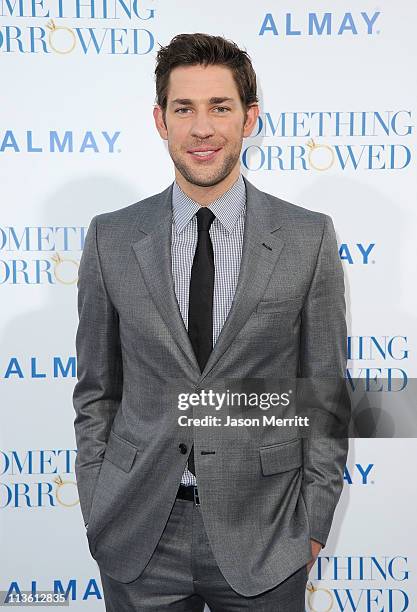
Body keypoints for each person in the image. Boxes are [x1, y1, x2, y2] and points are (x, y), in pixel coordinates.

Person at [73, 32, 350, 611]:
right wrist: (99, 502)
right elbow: (98, 391)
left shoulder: (307, 237)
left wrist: (313, 522)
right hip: (137, 531)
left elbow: (323, 390)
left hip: (267, 533)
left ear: (249, 119)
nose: (202, 128)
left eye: (220, 107)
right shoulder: (112, 237)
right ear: (160, 120)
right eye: (184, 109)